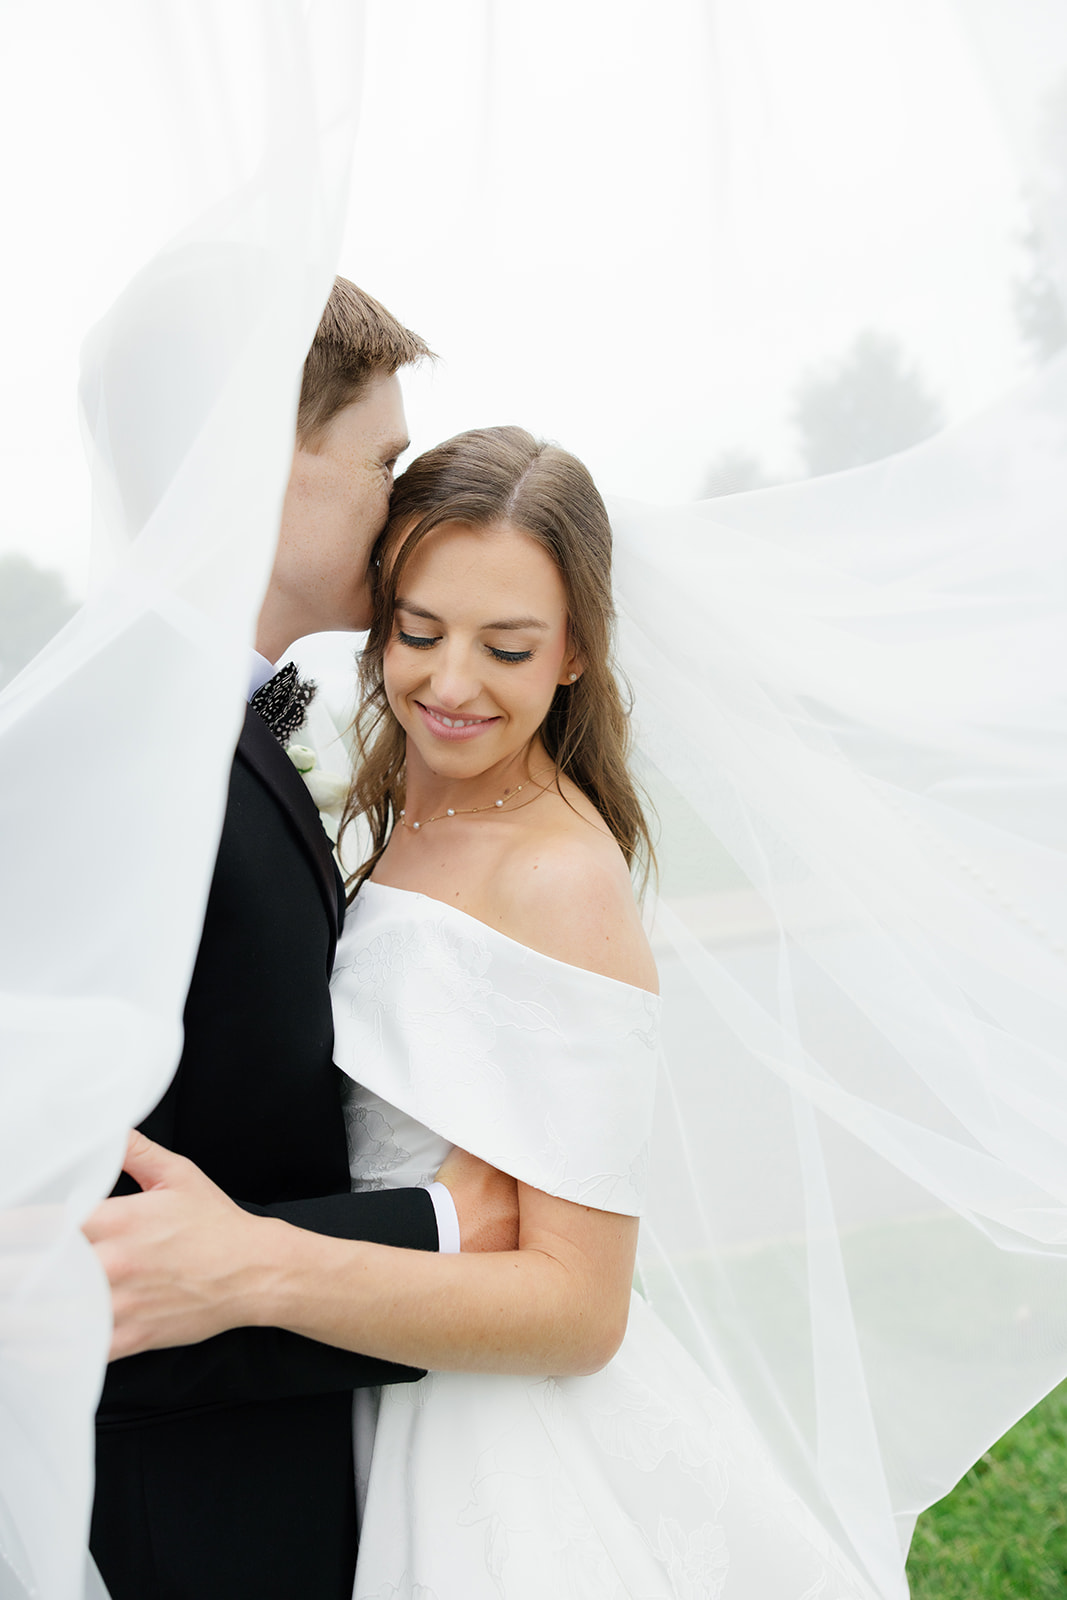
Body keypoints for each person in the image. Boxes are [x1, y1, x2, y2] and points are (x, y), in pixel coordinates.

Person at [90, 426, 881, 1598]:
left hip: (491, 1446)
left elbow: (578, 1307)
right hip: (355, 1381)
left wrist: (250, 1260)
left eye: (506, 649)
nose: (449, 686)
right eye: (417, 632)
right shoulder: (403, 800)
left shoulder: (560, 878)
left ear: (572, 655)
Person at [87, 286, 520, 1600]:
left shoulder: (206, 728)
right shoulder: (125, 766)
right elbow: (90, 1263)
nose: (403, 512)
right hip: (189, 1523)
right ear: (254, 463)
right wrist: (450, 1230)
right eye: (381, 463)